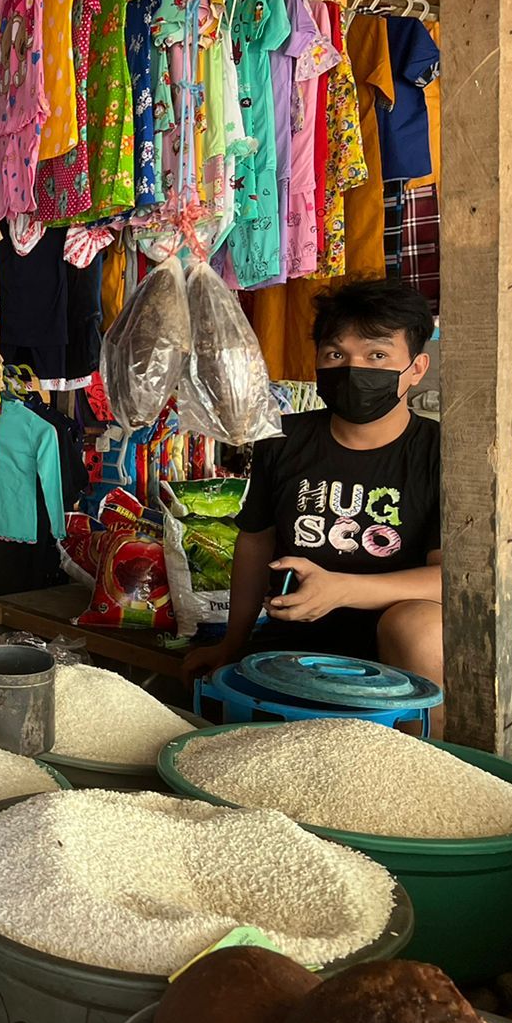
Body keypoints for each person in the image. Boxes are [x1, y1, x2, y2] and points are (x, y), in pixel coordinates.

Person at [186, 281, 443, 726]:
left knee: (421, 626)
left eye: (377, 356)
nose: (354, 368)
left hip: (395, 655)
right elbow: (254, 544)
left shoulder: (441, 453)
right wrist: (231, 642)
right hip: (292, 645)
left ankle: (434, 755)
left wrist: (343, 589)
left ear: (417, 368)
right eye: (336, 354)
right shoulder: (283, 439)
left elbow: (450, 581)